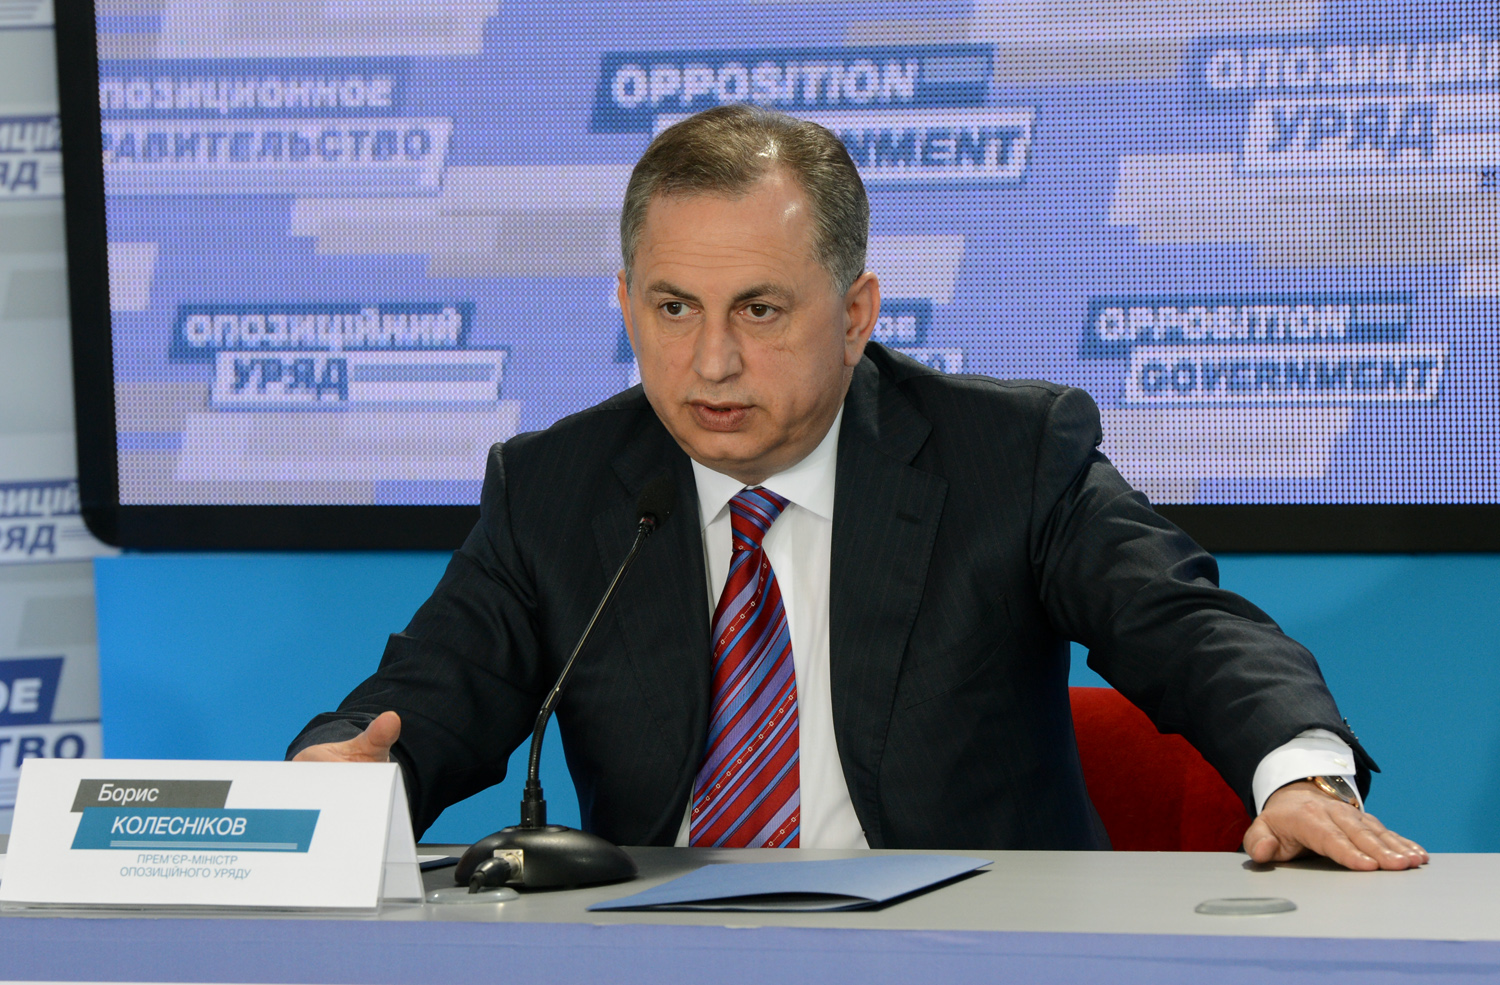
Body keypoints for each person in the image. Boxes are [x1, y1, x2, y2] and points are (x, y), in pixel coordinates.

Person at [290, 105, 1425, 870]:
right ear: (626, 301)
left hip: (975, 964)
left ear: (857, 313)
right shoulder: (559, 485)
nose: (711, 362)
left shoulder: (1005, 455)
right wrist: (342, 776)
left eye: (761, 310)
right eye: (674, 308)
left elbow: (1184, 624)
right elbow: (431, 690)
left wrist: (1301, 773)